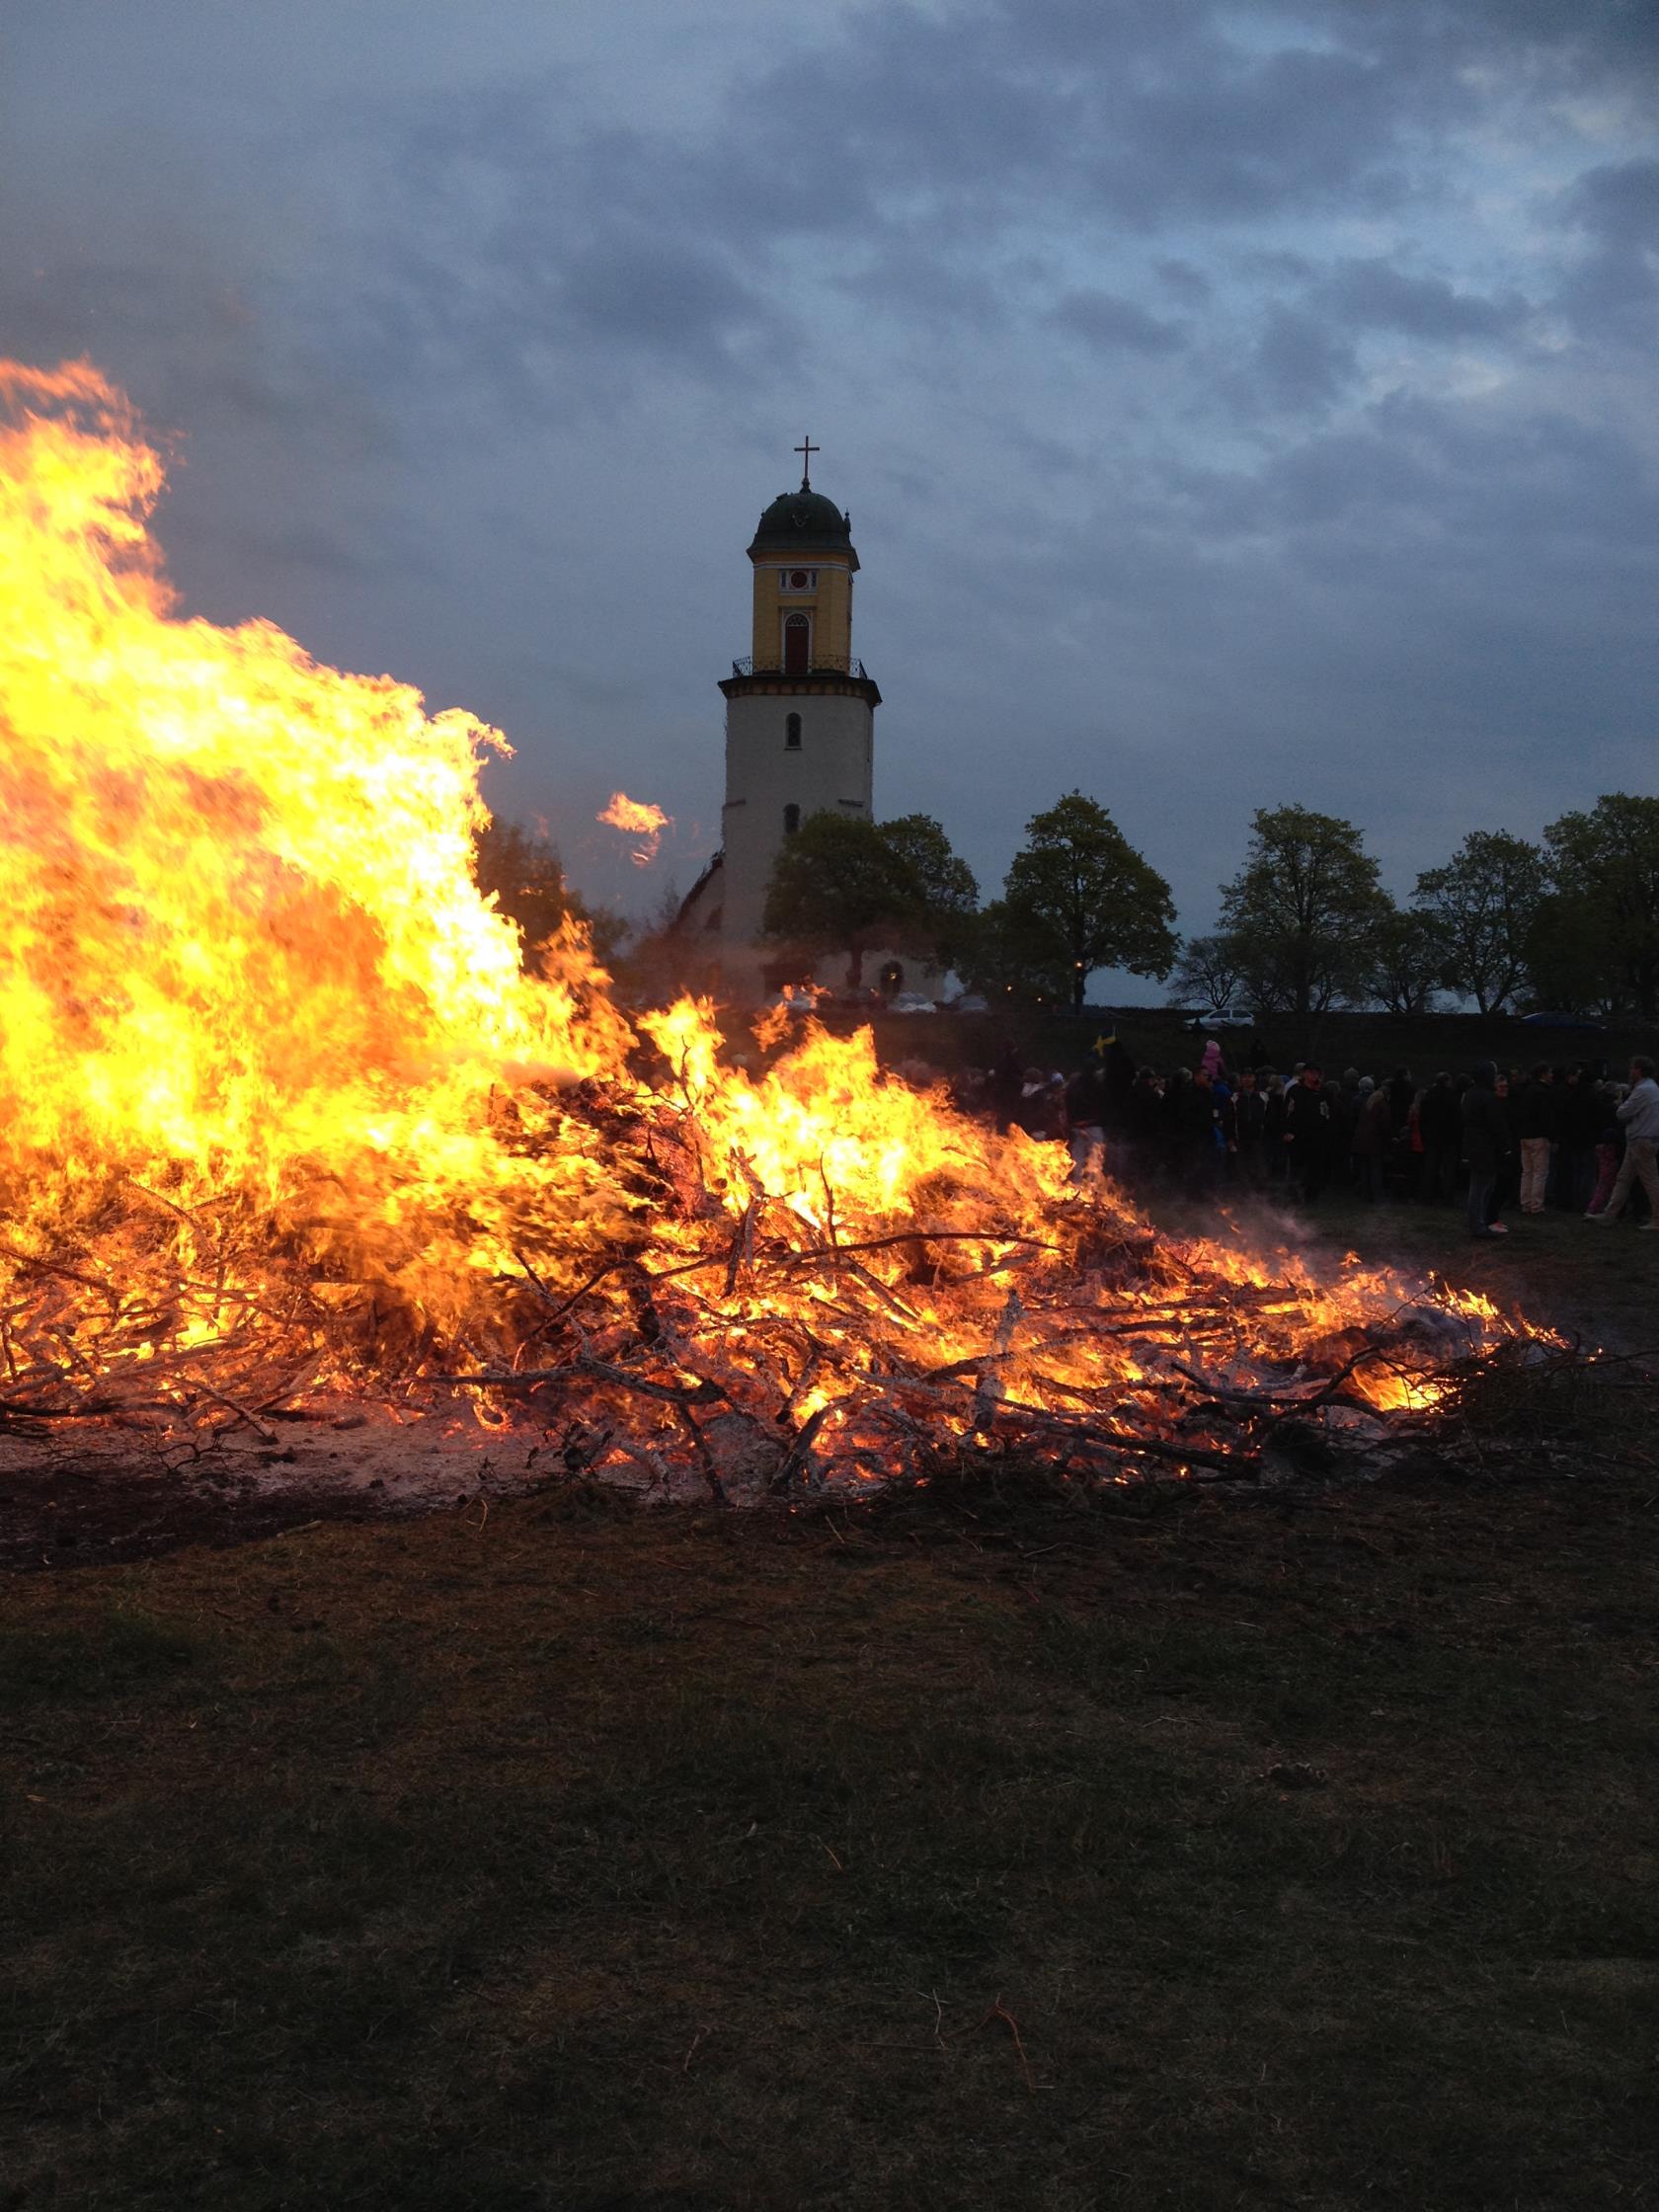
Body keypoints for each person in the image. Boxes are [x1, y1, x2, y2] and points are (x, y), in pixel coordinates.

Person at [1586, 1055, 1659, 1226]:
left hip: (1641, 1141)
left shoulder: (1642, 1090)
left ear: (1639, 1070)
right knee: (1623, 1179)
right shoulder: (1652, 1088)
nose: (1630, 1070)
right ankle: (1610, 1214)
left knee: (1650, 1181)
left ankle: (1657, 1219)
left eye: (1632, 1067)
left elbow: (1622, 1113)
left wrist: (1621, 1105)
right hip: (1641, 1141)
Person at [1461, 1061, 1512, 1237]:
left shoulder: (1470, 1094)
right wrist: (1505, 1147)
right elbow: (1496, 1125)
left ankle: (1477, 1221)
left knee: (1479, 1186)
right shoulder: (1488, 1097)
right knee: (1482, 1188)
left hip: (1473, 1145)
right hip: (1486, 1147)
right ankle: (1477, 1224)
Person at [1513, 1060, 1556, 1215]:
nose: (1552, 1075)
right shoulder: (1544, 1092)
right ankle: (1536, 1205)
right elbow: (1547, 1118)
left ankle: (1525, 1203)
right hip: (1539, 1136)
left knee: (1527, 1171)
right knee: (1540, 1172)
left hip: (1524, 1136)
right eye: (1550, 1072)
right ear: (1543, 1074)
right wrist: (1552, 1137)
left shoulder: (1528, 1091)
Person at [1283, 1066, 1332, 1202]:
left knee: (1315, 1167)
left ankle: (1311, 1196)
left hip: (1317, 1136)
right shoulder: (1295, 1091)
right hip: (1297, 1136)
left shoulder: (1324, 1091)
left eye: (1317, 1072)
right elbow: (1287, 1112)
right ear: (1304, 1073)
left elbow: (1330, 1113)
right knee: (1296, 1167)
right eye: (1311, 1072)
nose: (1314, 1075)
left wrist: (1327, 1133)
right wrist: (1286, 1131)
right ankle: (1294, 1196)